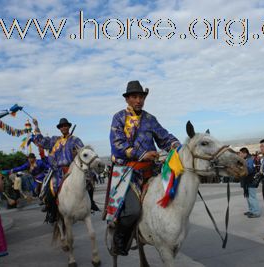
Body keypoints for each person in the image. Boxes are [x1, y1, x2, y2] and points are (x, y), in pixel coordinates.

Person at [109, 80, 180, 255]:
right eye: (134, 97)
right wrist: (141, 154)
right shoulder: (118, 118)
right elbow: (117, 144)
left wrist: (178, 146)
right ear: (127, 99)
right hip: (128, 172)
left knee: (174, 198)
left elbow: (164, 137)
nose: (138, 100)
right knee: (133, 211)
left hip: (152, 170)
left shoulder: (150, 119)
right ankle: (119, 239)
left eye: (141, 97)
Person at [32, 118, 99, 223]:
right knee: (50, 190)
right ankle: (51, 212)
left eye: (65, 126)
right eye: (61, 126)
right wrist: (36, 126)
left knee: (88, 185)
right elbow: (41, 141)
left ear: (68, 127)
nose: (63, 127)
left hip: (72, 170)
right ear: (59, 128)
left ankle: (90, 205)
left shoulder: (75, 140)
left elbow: (83, 153)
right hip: (57, 171)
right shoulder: (54, 140)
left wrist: (76, 154)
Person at [239, 147, 260, 218]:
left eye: (240, 153)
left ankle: (256, 212)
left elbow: (250, 169)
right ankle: (251, 210)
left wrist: (241, 167)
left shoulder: (250, 159)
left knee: (252, 197)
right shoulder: (245, 159)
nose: (240, 155)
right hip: (246, 181)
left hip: (250, 180)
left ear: (245, 153)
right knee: (248, 197)